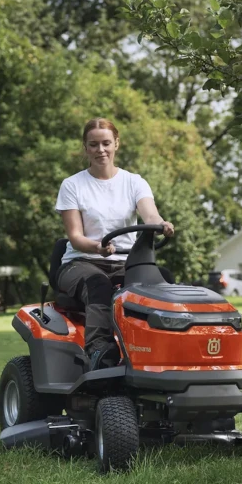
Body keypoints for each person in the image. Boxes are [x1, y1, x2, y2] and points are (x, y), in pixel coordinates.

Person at [54, 118, 175, 371]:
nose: (101, 150)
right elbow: (75, 237)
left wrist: (161, 223)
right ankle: (99, 351)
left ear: (116, 144)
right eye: (94, 144)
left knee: (163, 280)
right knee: (98, 285)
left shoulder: (134, 182)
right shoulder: (72, 185)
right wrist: (96, 247)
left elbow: (150, 215)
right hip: (81, 261)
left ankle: (162, 349)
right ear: (85, 148)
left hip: (124, 261)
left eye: (106, 143)